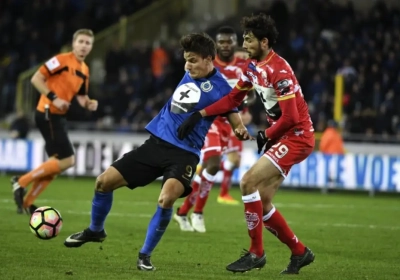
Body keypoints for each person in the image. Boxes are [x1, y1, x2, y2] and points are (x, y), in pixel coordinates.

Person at [63, 33, 249, 271]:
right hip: (155, 144)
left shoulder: (222, 88)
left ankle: (145, 255)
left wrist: (242, 131)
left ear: (208, 59)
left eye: (192, 60)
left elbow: (235, 117)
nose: (187, 65)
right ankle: (95, 230)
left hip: (185, 154)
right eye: (186, 60)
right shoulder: (191, 72)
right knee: (102, 182)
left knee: (166, 198)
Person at [177, 14, 315, 274]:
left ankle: (256, 253)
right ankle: (299, 252)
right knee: (261, 201)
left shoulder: (279, 69)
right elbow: (232, 99)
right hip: (284, 136)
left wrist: (266, 134)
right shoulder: (253, 67)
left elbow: (292, 117)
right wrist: (200, 114)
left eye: (249, 39)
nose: (244, 43)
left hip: (297, 136)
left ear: (264, 42)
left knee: (247, 181)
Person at [173, 26, 253, 233]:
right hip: (208, 121)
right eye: (222, 42)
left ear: (234, 43)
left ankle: (182, 211)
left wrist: (244, 110)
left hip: (227, 123)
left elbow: (248, 94)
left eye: (229, 42)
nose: (225, 45)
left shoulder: (243, 66)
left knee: (208, 171)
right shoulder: (207, 63)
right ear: (216, 45)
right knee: (215, 164)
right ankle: (198, 212)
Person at [11, 29, 98, 214]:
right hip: (47, 112)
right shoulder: (60, 60)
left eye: (87, 43)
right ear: (74, 43)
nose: (84, 46)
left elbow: (82, 97)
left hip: (58, 116)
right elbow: (36, 79)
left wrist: (88, 103)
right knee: (68, 160)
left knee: (56, 164)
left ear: (91, 47)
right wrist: (54, 97)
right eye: (81, 41)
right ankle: (21, 182)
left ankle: (26, 203)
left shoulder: (84, 70)